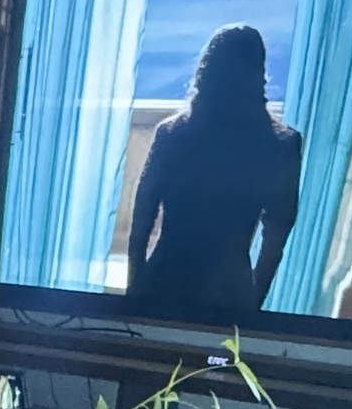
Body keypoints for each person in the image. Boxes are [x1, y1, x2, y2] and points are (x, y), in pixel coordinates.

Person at [123, 24, 305, 317]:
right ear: (258, 75)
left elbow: (142, 218)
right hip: (229, 289)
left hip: (164, 280)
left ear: (205, 72)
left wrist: (134, 287)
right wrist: (253, 305)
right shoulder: (281, 144)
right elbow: (276, 239)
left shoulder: (173, 134)